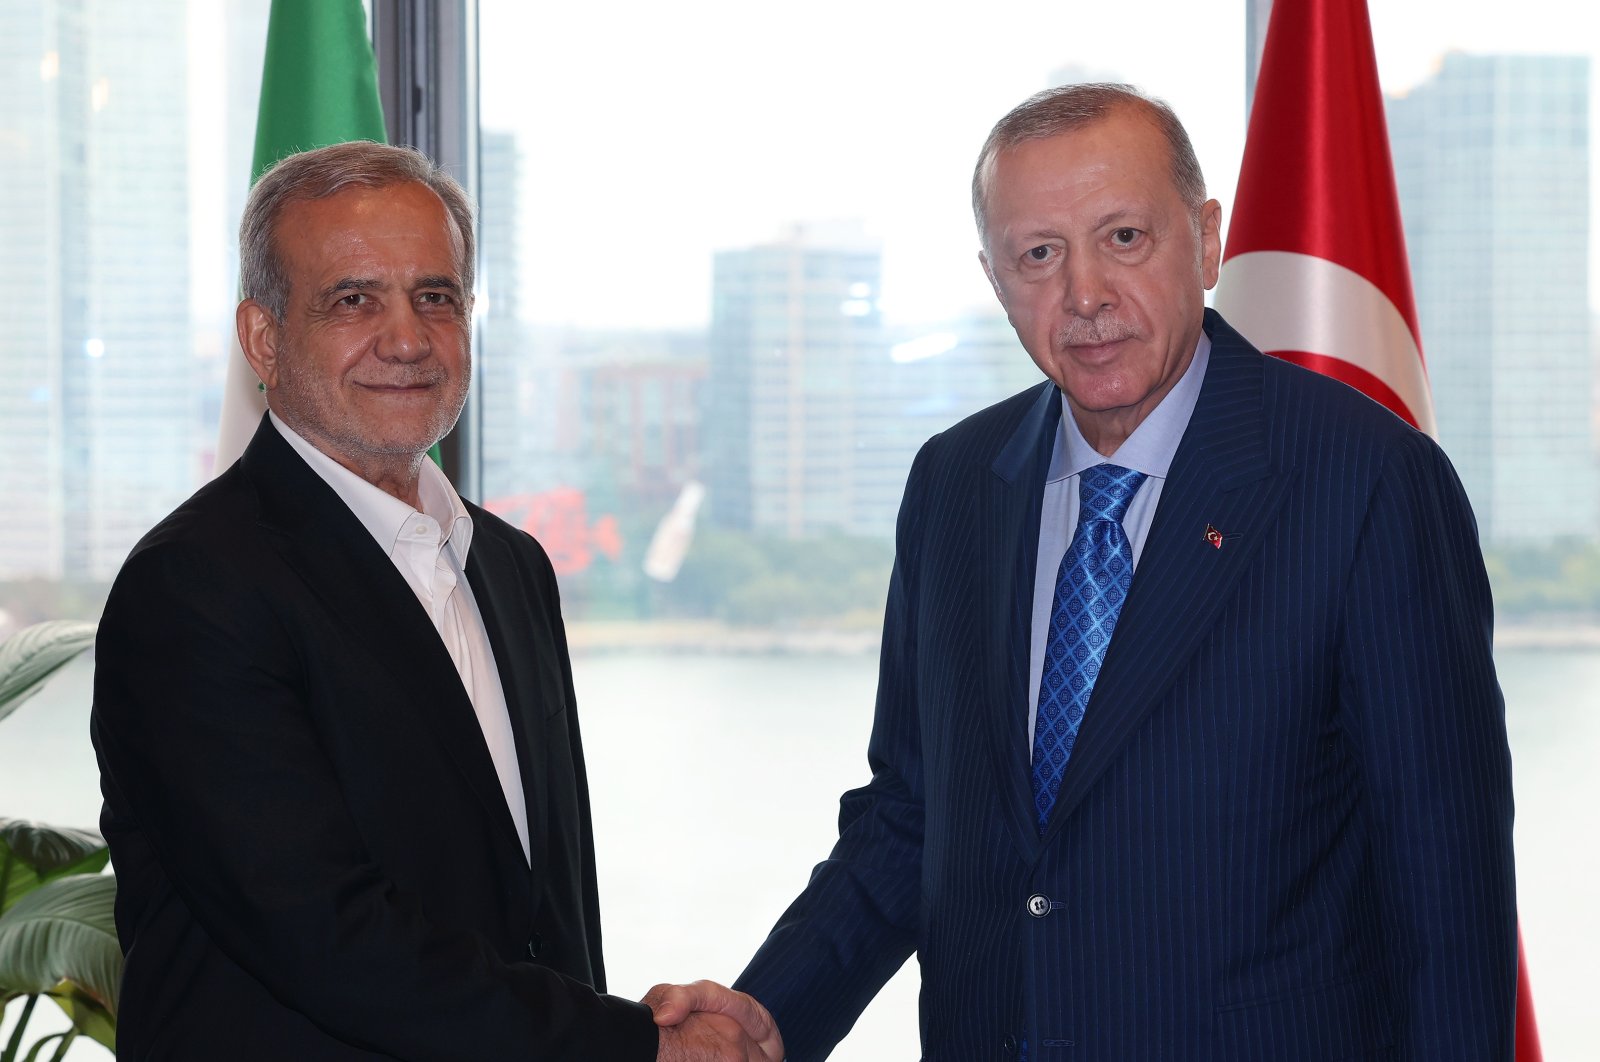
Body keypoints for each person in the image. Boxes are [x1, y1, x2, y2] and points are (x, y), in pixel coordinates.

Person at [655, 83, 1518, 1059]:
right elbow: (912, 814)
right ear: (993, 277)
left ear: (1207, 238)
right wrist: (773, 1011)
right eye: (1038, 254)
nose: (1084, 296)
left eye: (1122, 238)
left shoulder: (1366, 483)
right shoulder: (954, 485)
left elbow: (1446, 892)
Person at [91, 141, 780, 1062]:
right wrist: (631, 1047)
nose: (407, 338)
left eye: (436, 296)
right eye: (353, 300)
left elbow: (544, 911)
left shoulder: (511, 566)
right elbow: (324, 938)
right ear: (263, 338)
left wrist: (617, 1027)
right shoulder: (194, 589)